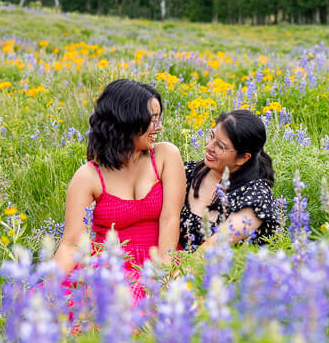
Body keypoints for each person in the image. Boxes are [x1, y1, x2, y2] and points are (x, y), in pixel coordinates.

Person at [54, 79, 186, 280]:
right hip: (111, 269)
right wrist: (50, 288)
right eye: (152, 119)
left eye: (159, 119)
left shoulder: (165, 155)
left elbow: (170, 218)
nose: (159, 127)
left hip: (162, 258)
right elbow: (71, 243)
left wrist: (164, 273)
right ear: (127, 120)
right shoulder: (89, 176)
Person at [180, 109, 279, 250]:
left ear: (243, 158)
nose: (209, 147)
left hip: (228, 270)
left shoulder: (256, 195)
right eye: (211, 136)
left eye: (220, 146)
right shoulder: (187, 171)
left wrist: (176, 272)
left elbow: (209, 251)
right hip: (174, 265)